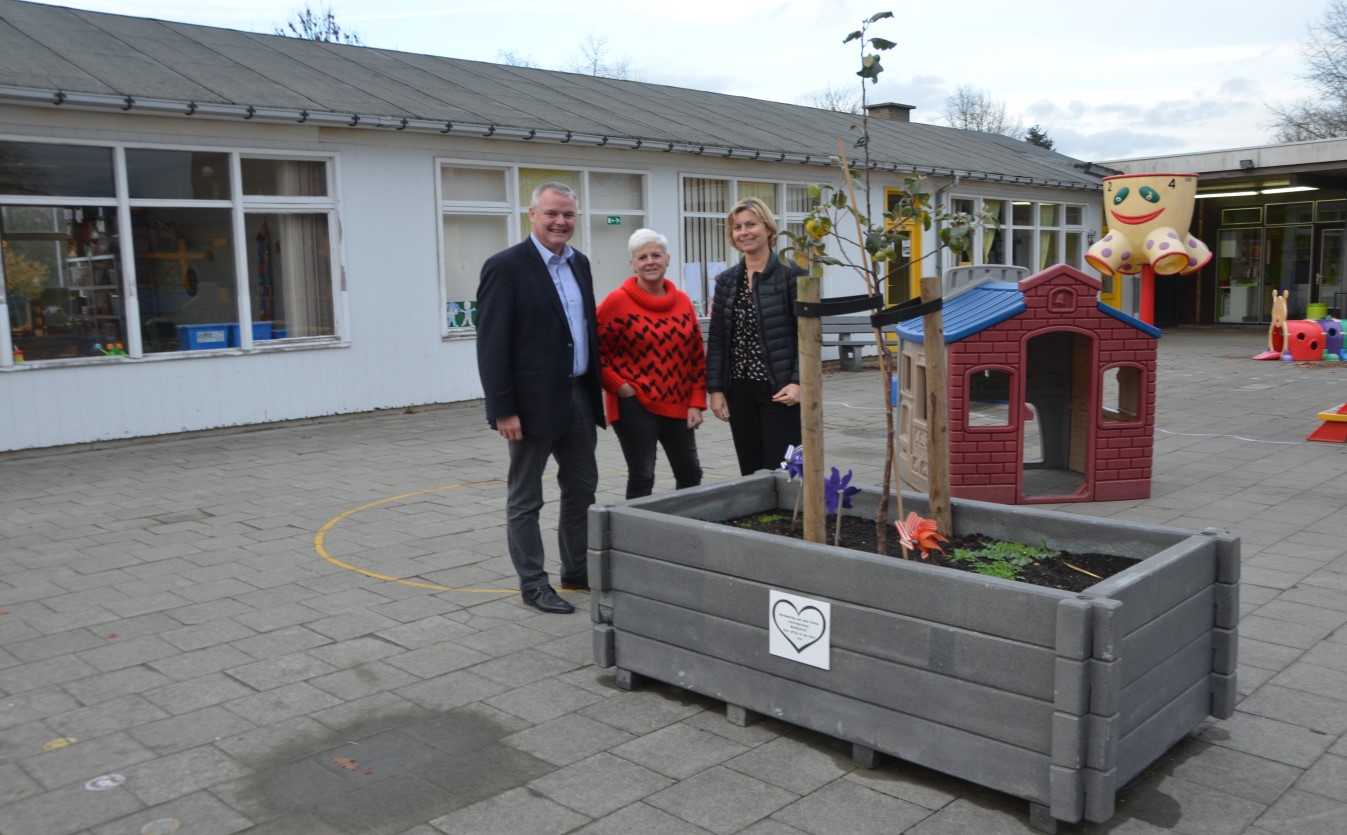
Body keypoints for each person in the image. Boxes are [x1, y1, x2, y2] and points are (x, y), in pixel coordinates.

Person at [475, 182, 605, 615]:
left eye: (568, 214)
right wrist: (503, 409)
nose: (560, 222)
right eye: (552, 213)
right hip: (529, 406)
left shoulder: (580, 264)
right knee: (526, 497)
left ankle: (576, 570)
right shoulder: (505, 267)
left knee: (582, 488)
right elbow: (492, 346)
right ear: (532, 214)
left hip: (579, 397)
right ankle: (533, 583)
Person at [597, 229, 706, 500]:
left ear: (667, 259)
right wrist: (618, 386)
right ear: (632, 263)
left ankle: (688, 529)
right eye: (642, 256)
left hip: (679, 404)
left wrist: (696, 401)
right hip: (635, 405)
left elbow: (695, 355)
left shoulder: (682, 301)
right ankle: (637, 538)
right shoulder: (616, 302)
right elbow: (593, 352)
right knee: (643, 477)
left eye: (656, 255)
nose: (650, 261)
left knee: (691, 473)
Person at [706, 197, 805, 475]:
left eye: (751, 224)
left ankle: (792, 518)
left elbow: (808, 336)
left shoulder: (791, 274)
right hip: (739, 389)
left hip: (780, 388)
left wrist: (799, 382)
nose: (744, 232)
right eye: (737, 227)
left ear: (769, 228)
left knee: (787, 469)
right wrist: (715, 390)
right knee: (750, 470)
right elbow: (717, 338)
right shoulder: (727, 280)